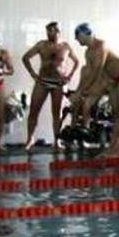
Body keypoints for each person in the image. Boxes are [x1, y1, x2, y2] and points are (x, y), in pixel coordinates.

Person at [71, 23, 119, 156]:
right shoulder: (88, 52)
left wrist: (80, 92)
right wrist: (84, 92)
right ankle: (112, 148)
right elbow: (91, 74)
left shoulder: (101, 46)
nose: (77, 40)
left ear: (85, 34)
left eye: (78, 37)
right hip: (112, 81)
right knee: (117, 116)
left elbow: (96, 71)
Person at [21, 21, 79, 151]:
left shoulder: (66, 47)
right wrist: (33, 74)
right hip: (42, 81)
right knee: (34, 111)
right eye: (47, 31)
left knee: (57, 113)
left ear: (58, 32)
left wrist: (69, 76)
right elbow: (25, 58)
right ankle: (30, 138)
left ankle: (56, 141)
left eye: (51, 31)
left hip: (58, 83)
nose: (48, 33)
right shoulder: (42, 45)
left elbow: (76, 62)